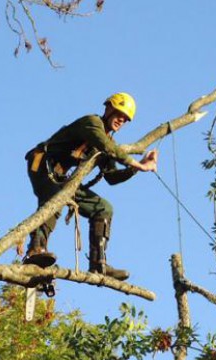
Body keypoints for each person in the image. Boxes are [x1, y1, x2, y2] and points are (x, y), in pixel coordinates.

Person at [23, 92, 158, 281]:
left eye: (126, 119)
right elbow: (105, 146)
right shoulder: (92, 123)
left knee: (103, 208)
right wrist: (137, 164)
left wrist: (136, 168)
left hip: (64, 180)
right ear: (108, 108)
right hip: (43, 163)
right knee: (56, 197)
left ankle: (98, 263)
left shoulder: (109, 143)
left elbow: (112, 177)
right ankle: (35, 249)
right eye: (119, 114)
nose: (121, 120)